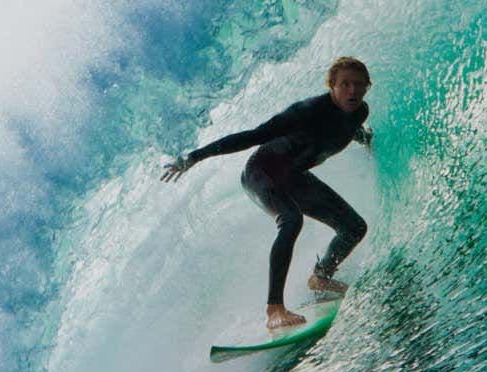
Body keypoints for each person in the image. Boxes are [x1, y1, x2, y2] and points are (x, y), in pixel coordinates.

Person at [160, 57, 375, 331]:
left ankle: (321, 278)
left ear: (367, 87)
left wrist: (366, 141)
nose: (352, 91)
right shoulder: (306, 112)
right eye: (345, 84)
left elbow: (344, 128)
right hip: (262, 172)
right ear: (331, 85)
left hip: (294, 177)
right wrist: (193, 157)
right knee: (291, 219)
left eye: (359, 85)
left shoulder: (359, 112)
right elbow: (253, 136)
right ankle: (275, 309)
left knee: (353, 227)